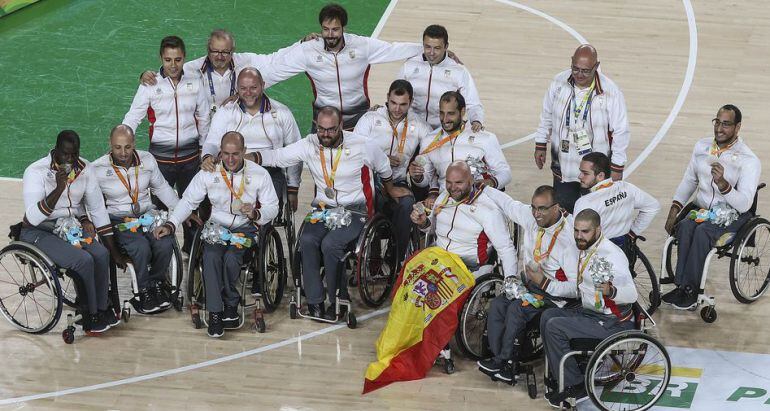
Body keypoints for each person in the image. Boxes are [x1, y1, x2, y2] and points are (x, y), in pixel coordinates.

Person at [254, 106, 411, 320]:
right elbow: (278, 156)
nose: (325, 135)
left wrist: (390, 189)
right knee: (307, 240)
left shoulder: (362, 145)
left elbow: (384, 167)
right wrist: (250, 156)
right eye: (321, 129)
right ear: (316, 125)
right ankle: (314, 301)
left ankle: (339, 298)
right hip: (323, 209)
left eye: (331, 130)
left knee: (331, 244)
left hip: (355, 211)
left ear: (341, 127)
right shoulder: (309, 144)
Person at [154, 132, 279, 337]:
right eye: (226, 154)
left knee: (231, 258)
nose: (230, 159)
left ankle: (230, 303)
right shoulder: (209, 173)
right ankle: (215, 312)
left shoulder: (259, 174)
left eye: (236, 154)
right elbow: (188, 202)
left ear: (244, 152)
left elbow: (272, 207)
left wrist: (256, 213)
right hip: (217, 227)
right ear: (220, 152)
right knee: (211, 257)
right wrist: (170, 224)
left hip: (245, 226)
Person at [662, 104, 761, 310]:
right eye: (717, 122)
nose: (719, 129)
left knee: (703, 233)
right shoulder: (702, 146)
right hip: (703, 209)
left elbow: (745, 204)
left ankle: (690, 290)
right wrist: (674, 210)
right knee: (686, 227)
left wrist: (724, 185)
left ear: (738, 127)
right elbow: (689, 181)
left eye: (726, 124)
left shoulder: (749, 161)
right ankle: (681, 285)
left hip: (733, 214)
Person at [20, 131, 119, 333]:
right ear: (56, 150)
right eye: (66, 154)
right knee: (83, 260)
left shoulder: (85, 168)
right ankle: (89, 314)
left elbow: (98, 209)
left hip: (69, 227)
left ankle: (100, 308)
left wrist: (113, 249)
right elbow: (32, 218)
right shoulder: (35, 171)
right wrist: (58, 188)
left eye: (74, 154)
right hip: (39, 230)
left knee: (101, 254)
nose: (70, 159)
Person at [477, 186, 578, 384]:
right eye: (534, 207)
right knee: (498, 304)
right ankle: (499, 359)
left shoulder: (569, 241)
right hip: (530, 286)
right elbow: (508, 204)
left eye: (542, 209)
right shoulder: (531, 217)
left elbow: (576, 289)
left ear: (557, 208)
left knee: (517, 309)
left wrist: (545, 283)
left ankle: (509, 363)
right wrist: (482, 186)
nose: (536, 213)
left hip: (554, 296)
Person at [268, 3, 425, 131]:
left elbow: (394, 49)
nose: (330, 34)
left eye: (335, 29)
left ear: (344, 28)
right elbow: (277, 69)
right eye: (325, 29)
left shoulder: (362, 46)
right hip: (324, 121)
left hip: (358, 121)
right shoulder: (308, 50)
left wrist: (430, 49)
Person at [539, 209, 638, 407]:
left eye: (585, 232)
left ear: (598, 230)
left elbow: (632, 295)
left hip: (613, 322)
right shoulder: (584, 249)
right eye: (576, 231)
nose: (578, 236)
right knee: (547, 315)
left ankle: (576, 386)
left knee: (554, 326)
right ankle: (561, 374)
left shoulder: (612, 255)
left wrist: (612, 291)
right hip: (591, 312)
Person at [122, 35, 211, 254]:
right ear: (161, 58)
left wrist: (205, 151)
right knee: (159, 211)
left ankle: (192, 253)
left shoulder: (195, 81)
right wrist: (121, 142)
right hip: (160, 162)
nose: (173, 65)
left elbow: (205, 118)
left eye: (178, 59)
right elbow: (133, 117)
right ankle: (163, 256)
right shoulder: (149, 85)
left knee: (193, 207)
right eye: (168, 60)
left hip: (191, 159)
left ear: (184, 58)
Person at [93, 125, 191, 314]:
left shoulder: (147, 159)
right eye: (117, 147)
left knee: (164, 243)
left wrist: (182, 210)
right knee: (140, 247)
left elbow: (161, 187)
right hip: (120, 219)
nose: (123, 153)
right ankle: (143, 290)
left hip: (147, 216)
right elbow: (95, 207)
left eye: (128, 147)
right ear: (110, 145)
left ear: (134, 144)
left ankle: (155, 283)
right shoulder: (97, 169)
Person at [533, 44, 630, 213]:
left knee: (591, 216)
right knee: (564, 213)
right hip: (564, 165)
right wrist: (540, 143)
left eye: (585, 71)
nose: (579, 74)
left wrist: (617, 167)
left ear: (597, 66)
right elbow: (546, 114)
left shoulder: (611, 92)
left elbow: (621, 131)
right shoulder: (558, 82)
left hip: (595, 171)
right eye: (575, 69)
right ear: (571, 62)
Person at [201, 67, 302, 212]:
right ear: (237, 88)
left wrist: (293, 188)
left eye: (253, 88)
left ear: (263, 85)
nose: (248, 93)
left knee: (262, 208)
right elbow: (211, 141)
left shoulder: (282, 112)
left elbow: (294, 151)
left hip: (269, 171)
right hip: (231, 169)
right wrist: (207, 156)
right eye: (243, 88)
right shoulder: (225, 111)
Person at [354, 79, 432, 265]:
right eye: (393, 103)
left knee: (407, 205)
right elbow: (354, 152)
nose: (397, 109)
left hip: (397, 181)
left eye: (403, 104)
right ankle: (370, 259)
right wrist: (382, 159)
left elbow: (431, 159)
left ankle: (395, 258)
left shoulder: (420, 126)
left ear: (411, 102)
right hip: (371, 180)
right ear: (387, 98)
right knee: (372, 201)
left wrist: (419, 174)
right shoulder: (370, 119)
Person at [409, 161, 518, 280]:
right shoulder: (443, 197)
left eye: (458, 182)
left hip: (468, 268)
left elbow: (506, 249)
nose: (453, 188)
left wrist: (510, 281)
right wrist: (423, 222)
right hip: (439, 261)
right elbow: (432, 230)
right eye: (449, 182)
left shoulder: (488, 210)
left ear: (471, 180)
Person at [139, 29, 291, 110]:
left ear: (233, 50)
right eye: (215, 51)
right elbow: (171, 71)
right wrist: (146, 75)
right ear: (207, 49)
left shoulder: (245, 61)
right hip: (206, 129)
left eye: (225, 52)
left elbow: (275, 58)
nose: (220, 56)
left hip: (237, 125)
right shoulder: (193, 68)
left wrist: (302, 43)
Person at [409, 91, 511, 208]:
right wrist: (417, 177)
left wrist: (491, 182)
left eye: (451, 114)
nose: (445, 119)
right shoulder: (429, 140)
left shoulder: (485, 138)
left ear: (462, 112)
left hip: (477, 201)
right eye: (442, 113)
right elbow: (426, 180)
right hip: (444, 203)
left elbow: (505, 173)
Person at [399, 24, 484, 132]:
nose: (432, 53)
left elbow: (473, 103)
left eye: (437, 48)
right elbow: (396, 96)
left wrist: (476, 120)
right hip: (412, 129)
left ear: (446, 46)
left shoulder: (459, 71)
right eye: (428, 47)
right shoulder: (409, 65)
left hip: (444, 131)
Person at [573, 152, 659, 251]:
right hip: (624, 248)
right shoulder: (627, 188)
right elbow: (653, 206)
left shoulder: (585, 202)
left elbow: (577, 238)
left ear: (600, 175)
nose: (580, 176)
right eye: (581, 172)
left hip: (598, 252)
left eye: (585, 173)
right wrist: (633, 233)